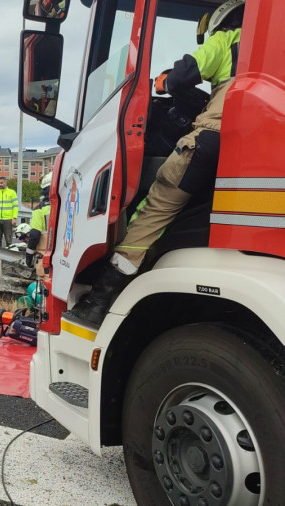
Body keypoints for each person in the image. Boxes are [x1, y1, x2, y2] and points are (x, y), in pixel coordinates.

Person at [69, 0, 244, 326]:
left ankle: (99, 302)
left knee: (154, 211)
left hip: (208, 142)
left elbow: (180, 77)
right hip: (248, 151)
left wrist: (158, 83)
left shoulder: (227, 39)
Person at [25, 172, 52, 268]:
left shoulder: (40, 209)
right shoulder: (70, 206)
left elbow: (34, 235)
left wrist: (29, 256)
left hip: (47, 253)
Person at [0, 176, 18, 247]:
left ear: (6, 182)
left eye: (1, 183)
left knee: (8, 241)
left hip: (8, 220)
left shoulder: (12, 193)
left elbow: (15, 206)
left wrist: (14, 218)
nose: (0, 185)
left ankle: (8, 257)